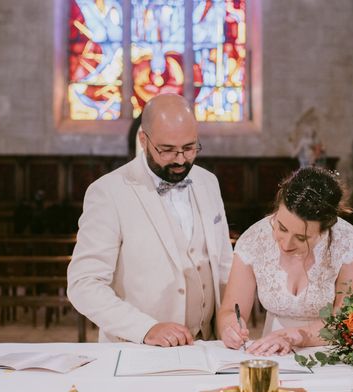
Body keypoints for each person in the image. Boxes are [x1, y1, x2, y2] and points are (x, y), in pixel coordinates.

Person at [67, 94, 233, 345]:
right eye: (167, 150)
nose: (180, 160)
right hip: (137, 349)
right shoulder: (108, 192)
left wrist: (231, 316)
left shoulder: (208, 182)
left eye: (189, 148)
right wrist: (146, 329)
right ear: (143, 140)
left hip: (208, 346)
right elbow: (84, 284)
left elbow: (223, 264)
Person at [217, 167, 353, 355]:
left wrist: (299, 336)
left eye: (301, 238)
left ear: (326, 227)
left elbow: (347, 318)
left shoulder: (348, 242)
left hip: (329, 350)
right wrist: (230, 327)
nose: (286, 245)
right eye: (281, 227)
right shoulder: (253, 239)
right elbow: (231, 308)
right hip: (272, 351)